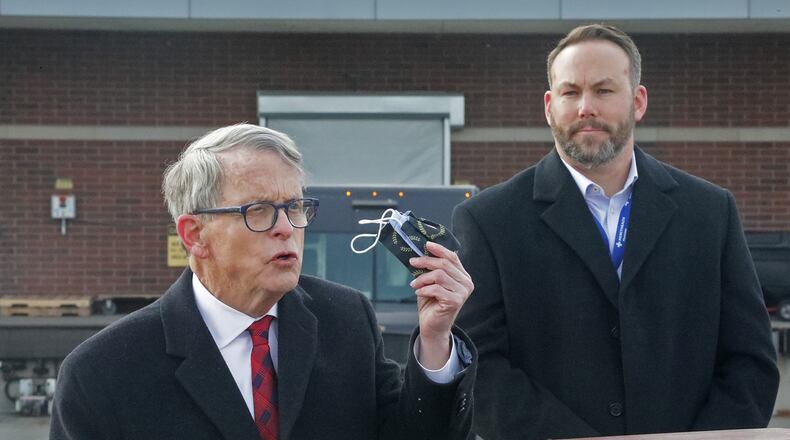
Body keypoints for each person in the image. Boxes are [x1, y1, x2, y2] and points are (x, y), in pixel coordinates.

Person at [453, 24, 779, 439]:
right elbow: (481, 368)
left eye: (604, 91)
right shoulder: (489, 220)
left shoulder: (710, 213)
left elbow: (750, 363)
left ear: (638, 101)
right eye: (571, 92)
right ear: (550, 106)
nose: (586, 107)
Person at [51, 123, 477, 440]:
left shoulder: (344, 319)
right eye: (258, 211)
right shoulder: (104, 372)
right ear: (194, 235)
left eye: (294, 207)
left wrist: (436, 339)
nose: (286, 228)